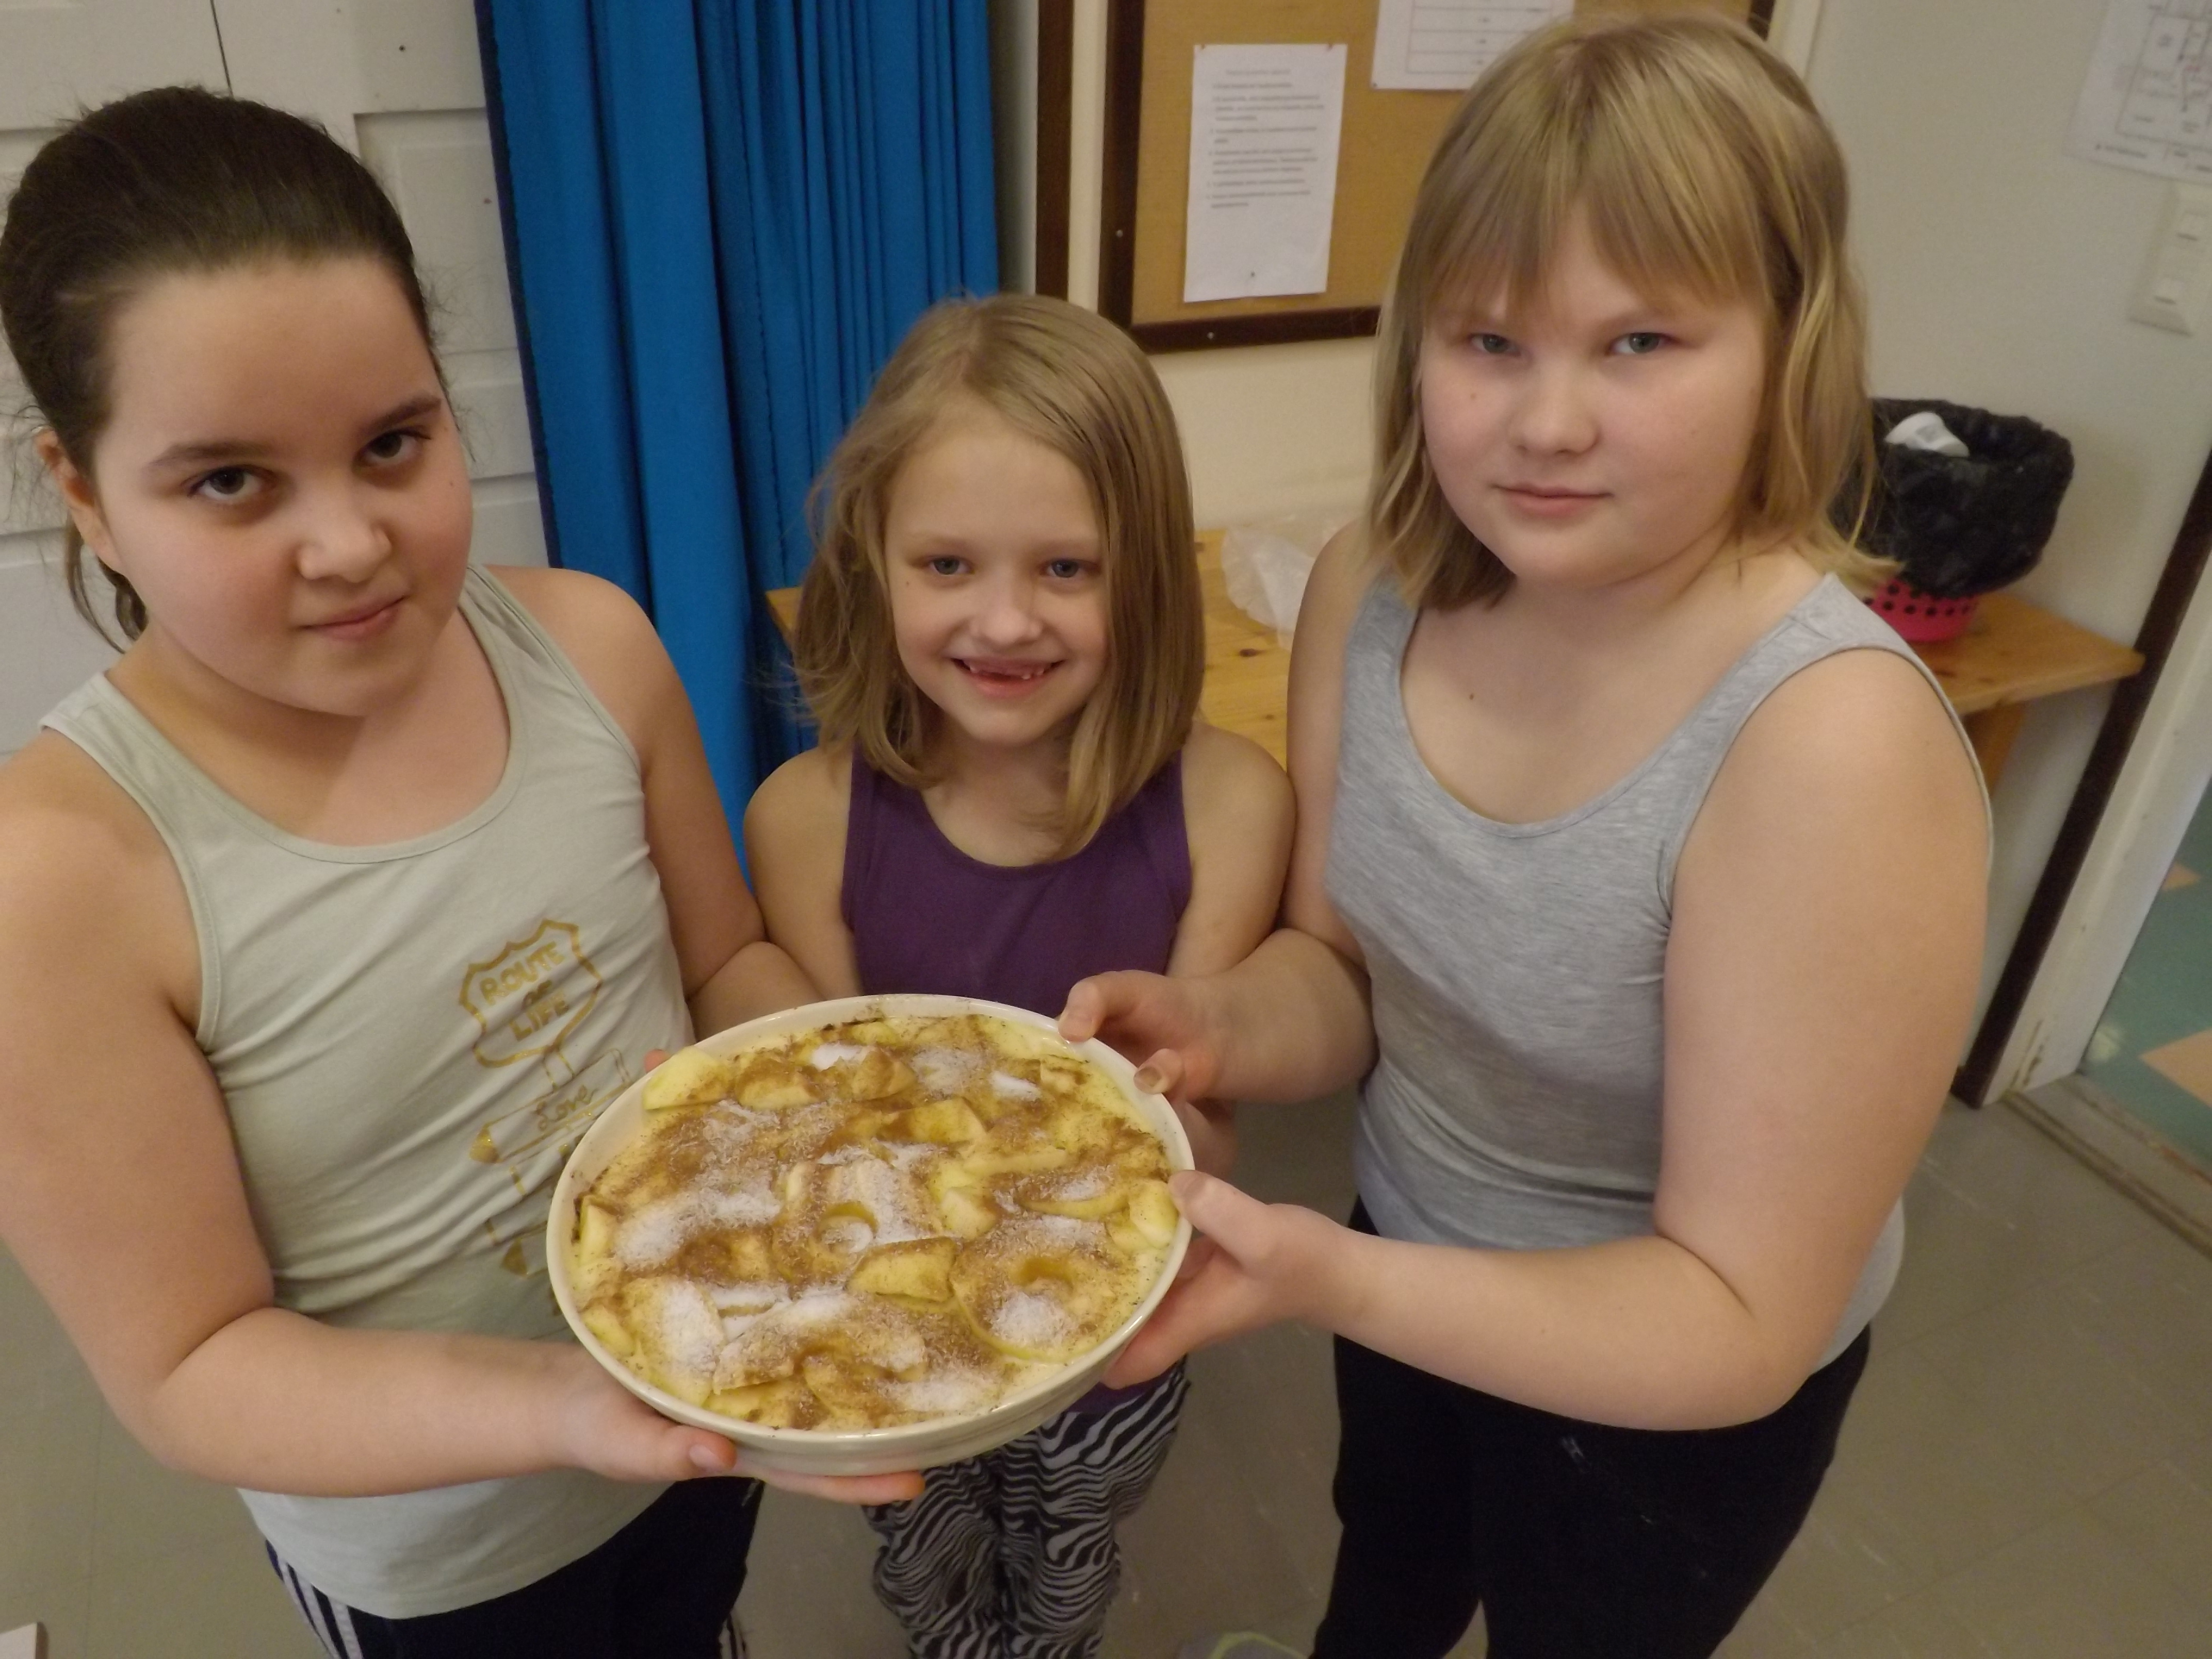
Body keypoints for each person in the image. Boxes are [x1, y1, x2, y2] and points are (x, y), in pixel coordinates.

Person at [1058, 17, 1990, 1659]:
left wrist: (1329, 1282)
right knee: (1388, 1576)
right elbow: (1347, 968)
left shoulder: (1828, 748)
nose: (1547, 422)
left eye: (1640, 342)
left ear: (1789, 349)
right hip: (1406, 1250)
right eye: (1489, 339)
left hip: (1661, 1396)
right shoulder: (1377, 584)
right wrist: (1221, 1025)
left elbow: (1738, 1317)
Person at [0, 86, 916, 1659]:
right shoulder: (58, 878)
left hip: (711, 1408)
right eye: (230, 481)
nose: (351, 542)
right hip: (444, 1551)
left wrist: (870, 1131)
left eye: (392, 444)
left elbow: (724, 964)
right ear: (86, 495)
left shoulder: (590, 648)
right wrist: (574, 1405)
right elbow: (189, 1366)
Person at [745, 293, 1293, 1659]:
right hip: (896, 1342)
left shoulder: (1230, 804)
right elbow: (828, 1137)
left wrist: (1136, 1116)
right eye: (947, 564)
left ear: (1145, 573)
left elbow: (1212, 1135)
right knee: (922, 1551)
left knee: (1072, 1548)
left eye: (1066, 568)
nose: (1004, 621)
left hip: (1116, 1342)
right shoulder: (804, 820)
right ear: (872, 562)